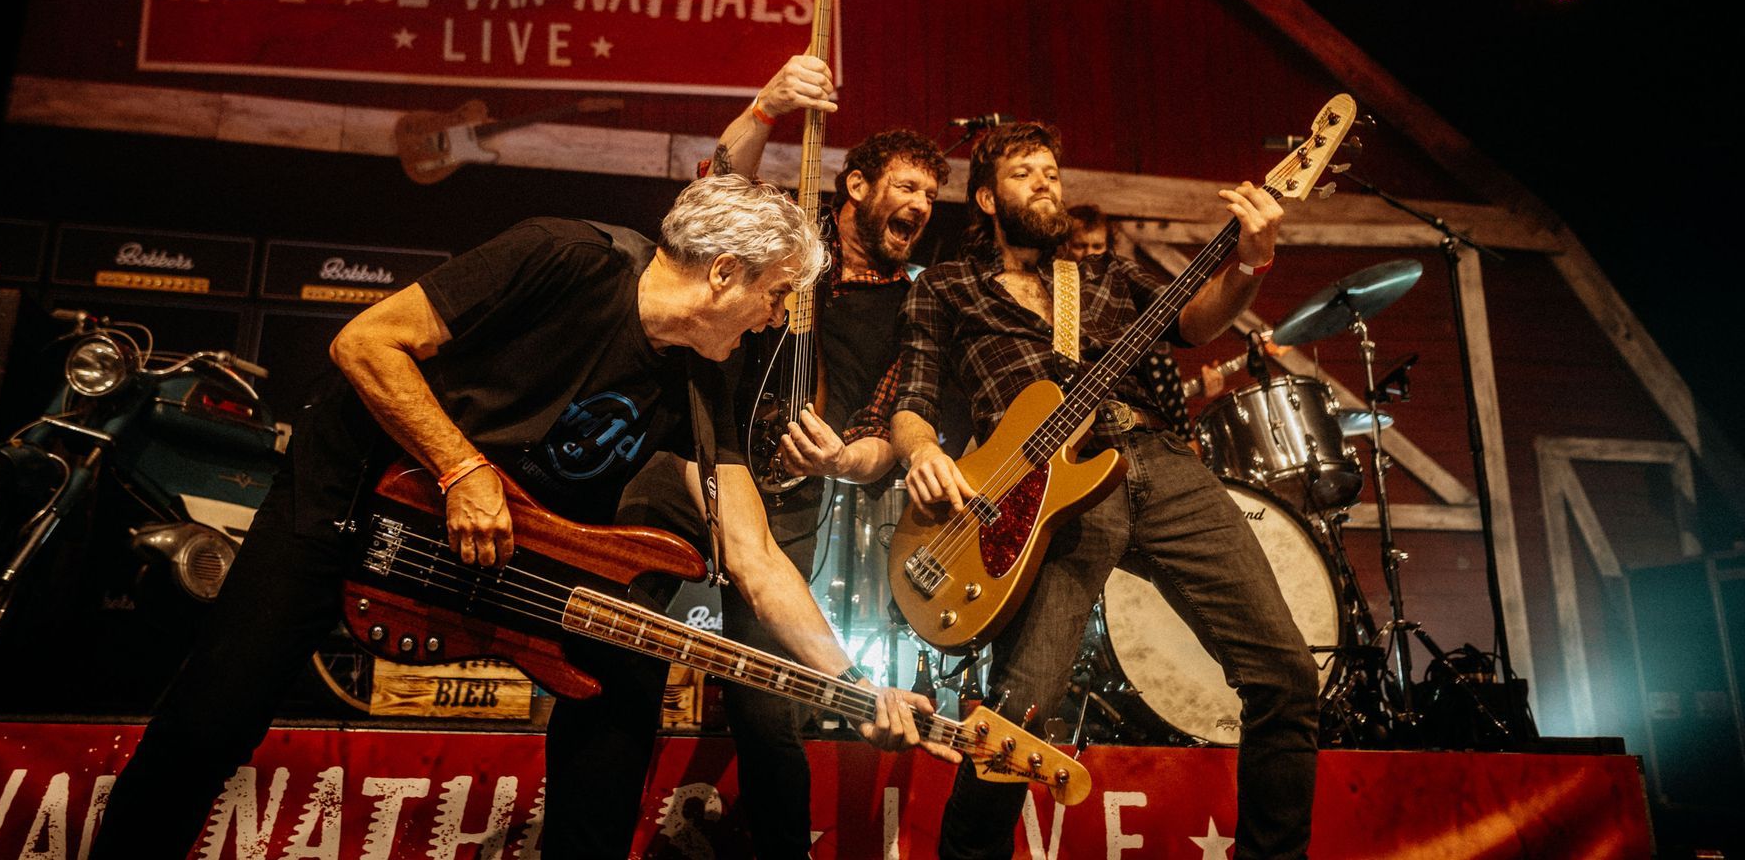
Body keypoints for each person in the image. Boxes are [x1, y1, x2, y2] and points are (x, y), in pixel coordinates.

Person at [88, 175, 955, 860]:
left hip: (504, 542)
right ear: (724, 271)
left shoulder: (705, 370)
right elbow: (366, 342)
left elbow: (754, 553)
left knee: (621, 688)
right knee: (212, 720)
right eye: (774, 295)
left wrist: (856, 685)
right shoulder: (564, 256)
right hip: (352, 502)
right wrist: (460, 465)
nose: (774, 321)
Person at [891, 122, 1319, 859]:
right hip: (1039, 494)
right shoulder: (948, 287)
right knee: (1019, 713)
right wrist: (922, 450)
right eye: (1025, 172)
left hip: (1152, 457)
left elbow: (1194, 321)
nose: (1046, 182)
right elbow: (912, 398)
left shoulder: (1103, 277)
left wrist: (1252, 262)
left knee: (1286, 674)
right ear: (987, 199)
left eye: (1052, 172)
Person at [616, 55, 951, 857]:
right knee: (624, 659)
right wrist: (766, 106)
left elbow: (891, 432)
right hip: (682, 456)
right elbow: (718, 187)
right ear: (857, 185)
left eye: (932, 196)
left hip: (789, 497)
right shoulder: (787, 238)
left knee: (767, 701)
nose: (921, 205)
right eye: (908, 186)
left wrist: (846, 459)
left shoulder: (914, 299)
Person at [1058, 202, 1226, 430]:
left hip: (1140, 422)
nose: (1089, 254)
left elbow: (1175, 315)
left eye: (1097, 246)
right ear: (1065, 246)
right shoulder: (1057, 290)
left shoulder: (1123, 279)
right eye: (1080, 245)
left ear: (1109, 247)